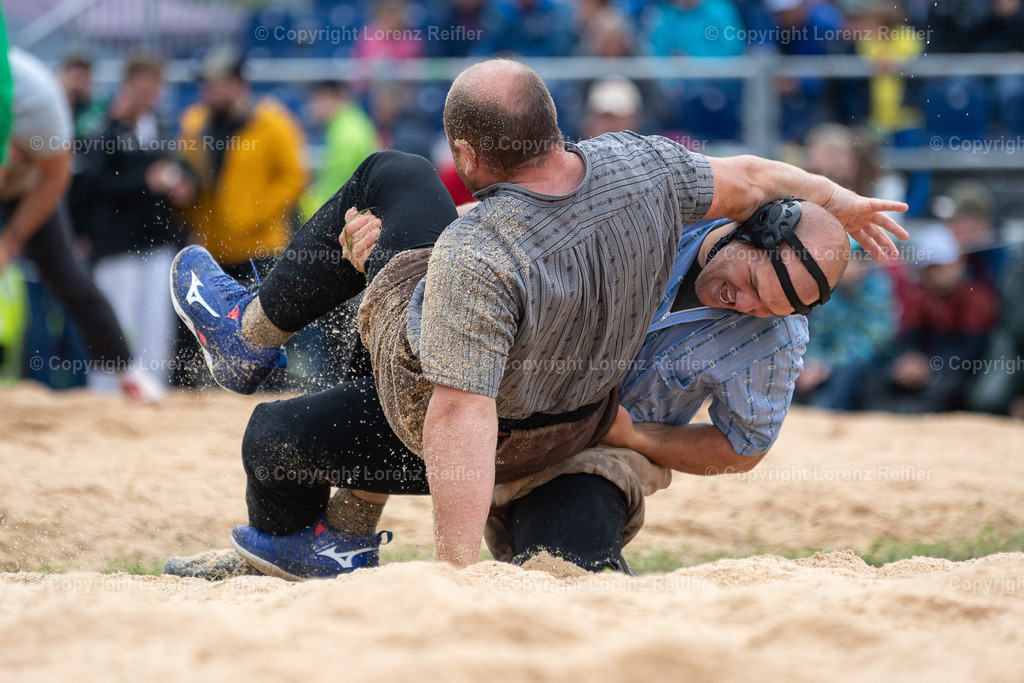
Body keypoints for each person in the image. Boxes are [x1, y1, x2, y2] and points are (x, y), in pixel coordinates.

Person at [167, 59, 907, 578]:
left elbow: (459, 415)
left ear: (467, 155)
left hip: (550, 431)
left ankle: (247, 336)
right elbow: (754, 175)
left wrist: (456, 576)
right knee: (400, 332)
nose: (743, 306)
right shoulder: (647, 176)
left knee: (396, 188)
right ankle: (338, 530)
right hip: (563, 416)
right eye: (747, 285)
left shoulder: (501, 243)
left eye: (769, 310)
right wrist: (838, 198)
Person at [0, 48, 155, 401]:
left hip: (33, 186)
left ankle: (126, 371)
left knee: (68, 276)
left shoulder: (39, 103)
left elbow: (55, 180)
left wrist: (9, 243)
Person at [75, 54, 191, 398]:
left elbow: (179, 168)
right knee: (115, 323)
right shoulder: (103, 127)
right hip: (116, 245)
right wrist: (146, 180)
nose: (149, 96)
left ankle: (153, 390)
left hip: (156, 240)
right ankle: (106, 394)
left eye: (155, 89)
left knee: (156, 325)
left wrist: (183, 185)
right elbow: (90, 183)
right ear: (127, 85)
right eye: (143, 88)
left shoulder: (160, 127)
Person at [176, 47, 306, 279]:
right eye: (206, 84)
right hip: (211, 250)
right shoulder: (194, 123)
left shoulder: (273, 124)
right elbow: (188, 174)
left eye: (216, 83)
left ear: (238, 84)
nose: (208, 91)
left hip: (260, 249)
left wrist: (254, 214)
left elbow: (293, 179)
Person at [299, 80, 378, 222]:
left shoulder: (345, 133)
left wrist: (314, 216)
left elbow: (335, 187)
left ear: (328, 97)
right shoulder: (353, 122)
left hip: (347, 218)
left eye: (314, 101)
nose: (311, 108)